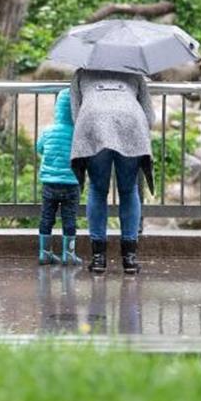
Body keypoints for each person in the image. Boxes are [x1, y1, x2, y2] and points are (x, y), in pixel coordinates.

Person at [70, 68, 155, 274]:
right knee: (129, 190)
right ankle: (129, 258)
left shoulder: (81, 73)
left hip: (93, 123)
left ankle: (98, 258)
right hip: (130, 123)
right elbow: (150, 117)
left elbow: (76, 114)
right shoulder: (134, 73)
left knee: (98, 190)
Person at [35, 89, 83, 266]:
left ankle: (44, 253)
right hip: (71, 183)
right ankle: (68, 254)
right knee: (69, 218)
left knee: (47, 217)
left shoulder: (48, 131)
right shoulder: (77, 132)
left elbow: (39, 148)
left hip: (49, 183)